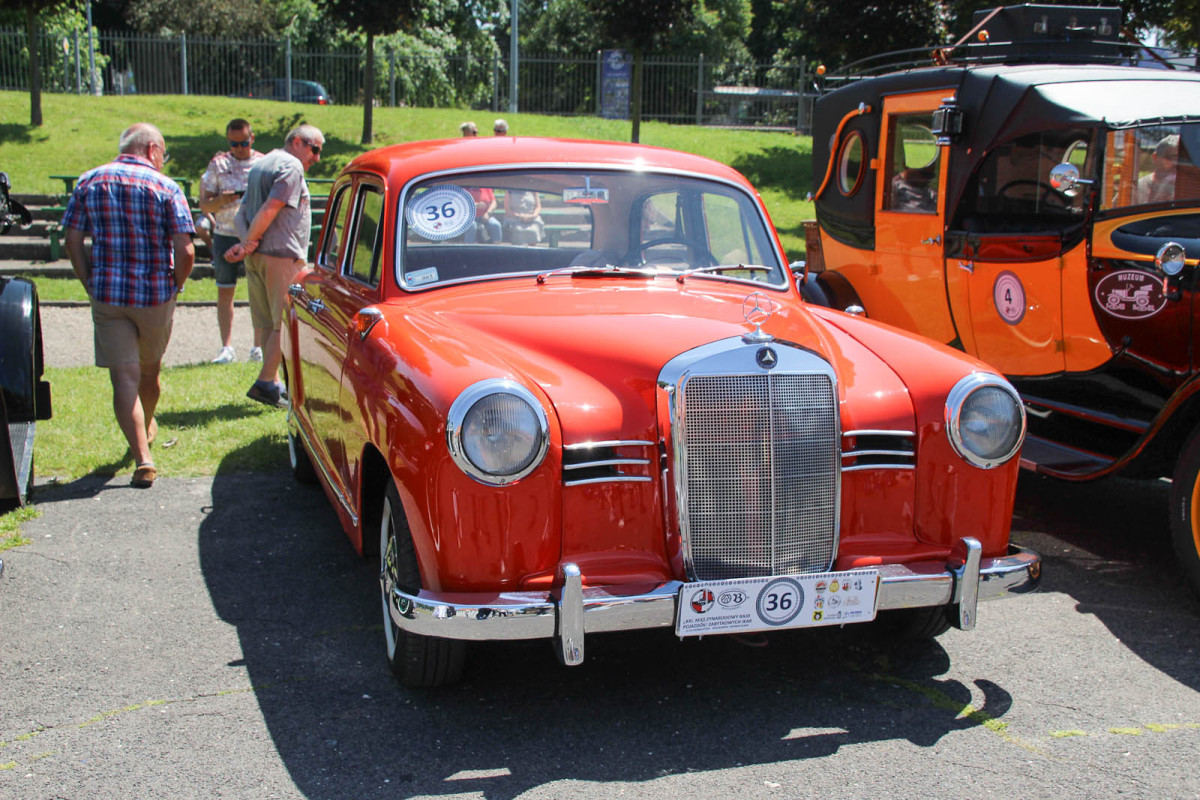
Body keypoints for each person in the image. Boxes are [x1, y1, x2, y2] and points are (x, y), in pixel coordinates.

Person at [61, 122, 195, 488]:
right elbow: (186, 249)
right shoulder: (167, 187)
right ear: (152, 148)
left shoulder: (89, 181)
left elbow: (72, 240)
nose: (163, 160)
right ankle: (145, 435)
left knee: (124, 377)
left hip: (108, 294)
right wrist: (177, 286)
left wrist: (89, 281)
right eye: (163, 152)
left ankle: (143, 455)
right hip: (155, 295)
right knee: (150, 373)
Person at [224, 123, 325, 408]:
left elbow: (240, 214)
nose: (316, 157)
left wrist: (247, 245)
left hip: (258, 257)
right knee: (282, 321)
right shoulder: (291, 166)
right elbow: (272, 207)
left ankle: (275, 382)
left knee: (270, 323)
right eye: (314, 149)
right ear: (297, 142)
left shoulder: (259, 165)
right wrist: (249, 243)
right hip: (280, 255)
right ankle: (266, 382)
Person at [199, 118, 266, 364]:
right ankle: (226, 347)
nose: (239, 148)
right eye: (233, 143)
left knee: (258, 293)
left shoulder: (262, 163)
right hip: (225, 234)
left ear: (252, 138)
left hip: (254, 236)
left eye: (244, 143)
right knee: (225, 291)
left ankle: (258, 346)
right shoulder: (218, 164)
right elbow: (204, 203)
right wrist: (224, 200)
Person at [1135, 134, 1179, 205]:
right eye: (1172, 157)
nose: (1177, 163)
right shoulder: (1136, 189)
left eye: (1184, 159)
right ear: (1155, 158)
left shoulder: (1194, 188)